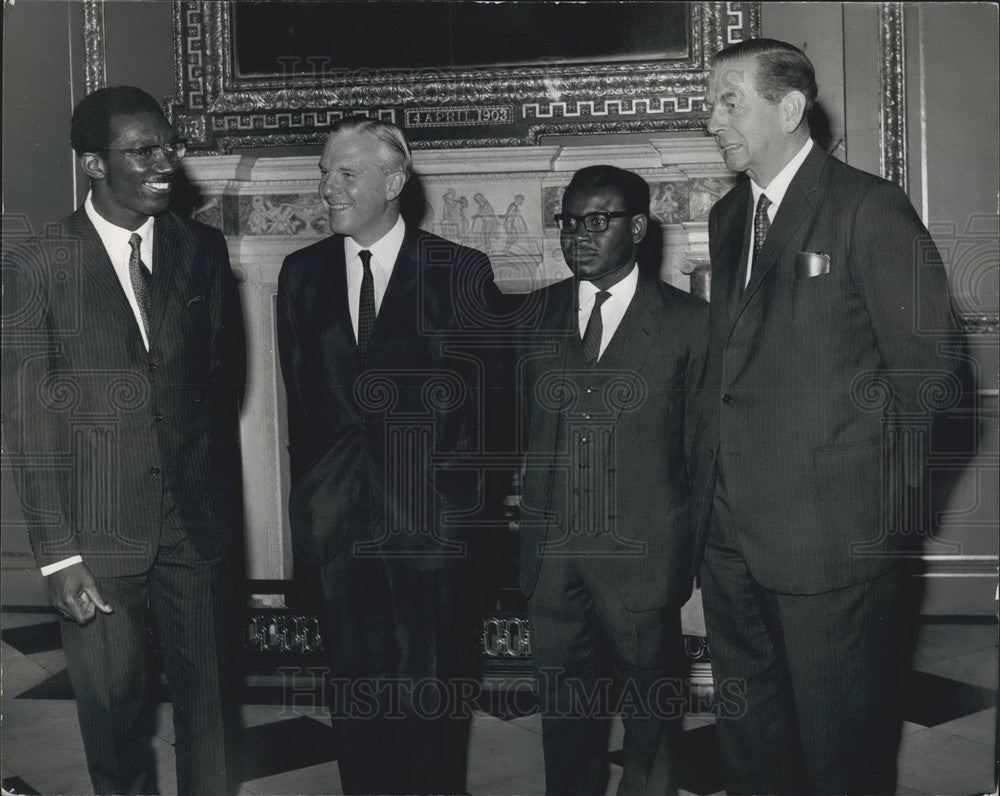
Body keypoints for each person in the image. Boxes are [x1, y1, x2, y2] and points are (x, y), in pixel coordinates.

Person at [694, 39, 958, 794]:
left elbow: (934, 375)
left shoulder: (866, 208)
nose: (709, 118)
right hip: (733, 542)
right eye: (710, 100)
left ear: (788, 108)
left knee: (843, 754)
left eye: (727, 100)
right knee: (751, 748)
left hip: (834, 547)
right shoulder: (726, 217)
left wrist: (882, 514)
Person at [1, 86, 245, 795]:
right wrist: (59, 557)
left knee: (213, 720)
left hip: (195, 532)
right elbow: (28, 421)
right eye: (144, 151)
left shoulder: (203, 248)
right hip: (97, 540)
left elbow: (217, 382)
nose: (166, 162)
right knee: (115, 720)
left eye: (168, 146)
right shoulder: (38, 265)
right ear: (93, 165)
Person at [276, 116, 502, 795]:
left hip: (430, 529)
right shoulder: (300, 274)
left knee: (432, 695)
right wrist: (309, 526)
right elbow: (303, 413)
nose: (326, 188)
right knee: (356, 696)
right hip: (340, 526)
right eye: (324, 173)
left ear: (394, 181)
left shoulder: (460, 271)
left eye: (344, 174)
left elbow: (489, 419)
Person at [517, 165, 707, 795]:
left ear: (638, 227)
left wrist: (688, 552)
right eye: (568, 222)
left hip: (642, 558)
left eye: (597, 221)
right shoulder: (531, 316)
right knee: (565, 720)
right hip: (553, 562)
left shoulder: (689, 324)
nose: (578, 235)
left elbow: (703, 453)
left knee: (652, 722)